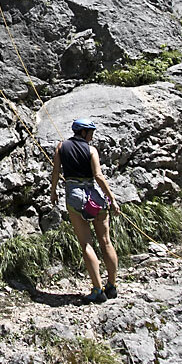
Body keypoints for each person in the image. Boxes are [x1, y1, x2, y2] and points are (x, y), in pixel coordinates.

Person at [51, 118, 120, 304]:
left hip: (74, 196)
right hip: (94, 196)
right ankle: (111, 286)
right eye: (91, 133)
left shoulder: (61, 147)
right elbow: (98, 176)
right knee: (106, 242)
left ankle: (97, 290)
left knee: (86, 244)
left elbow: (56, 172)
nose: (92, 136)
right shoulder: (91, 150)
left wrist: (53, 192)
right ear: (83, 132)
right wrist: (112, 199)